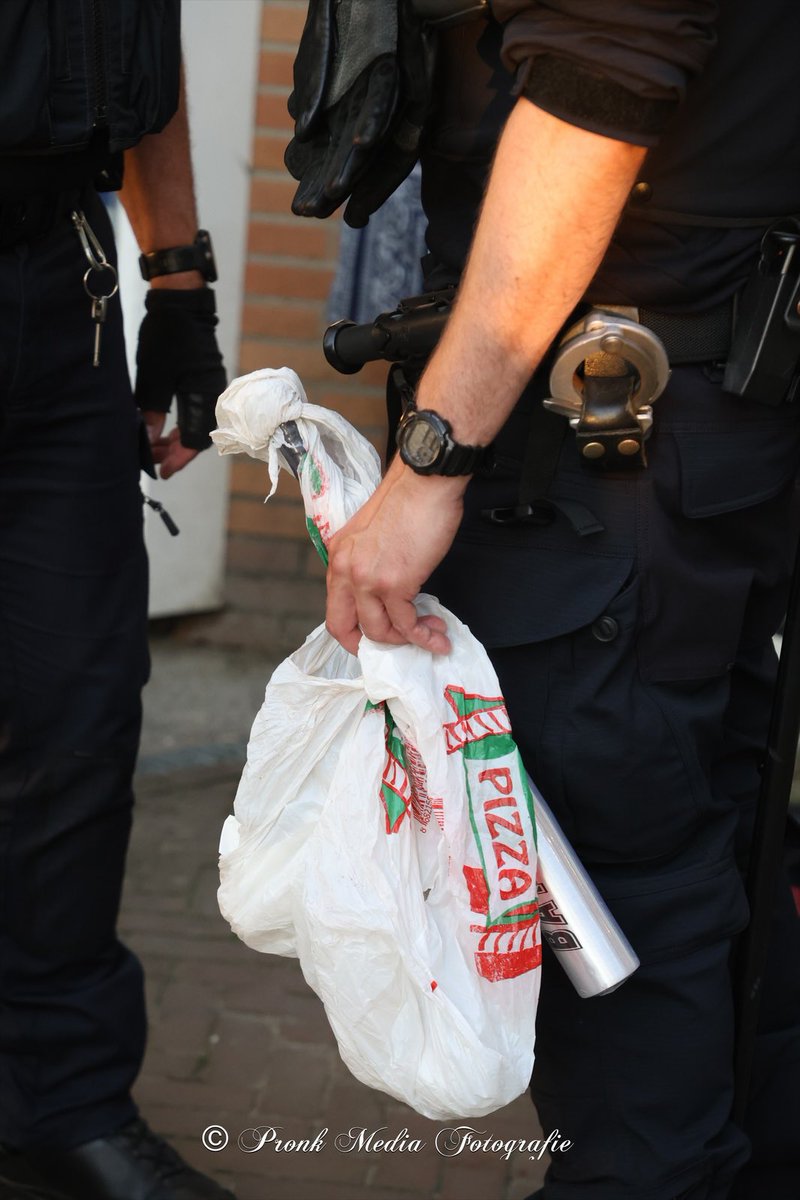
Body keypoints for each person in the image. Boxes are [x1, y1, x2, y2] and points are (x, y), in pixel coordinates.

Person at [290, 1, 800, 1196]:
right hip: (703, 411)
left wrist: (429, 464)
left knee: (618, 909)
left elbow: (597, 89)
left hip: (609, 432)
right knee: (708, 860)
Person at [0, 3, 231, 1198]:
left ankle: (62, 1105)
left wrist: (178, 282)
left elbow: (142, 38)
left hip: (59, 284)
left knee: (79, 721)